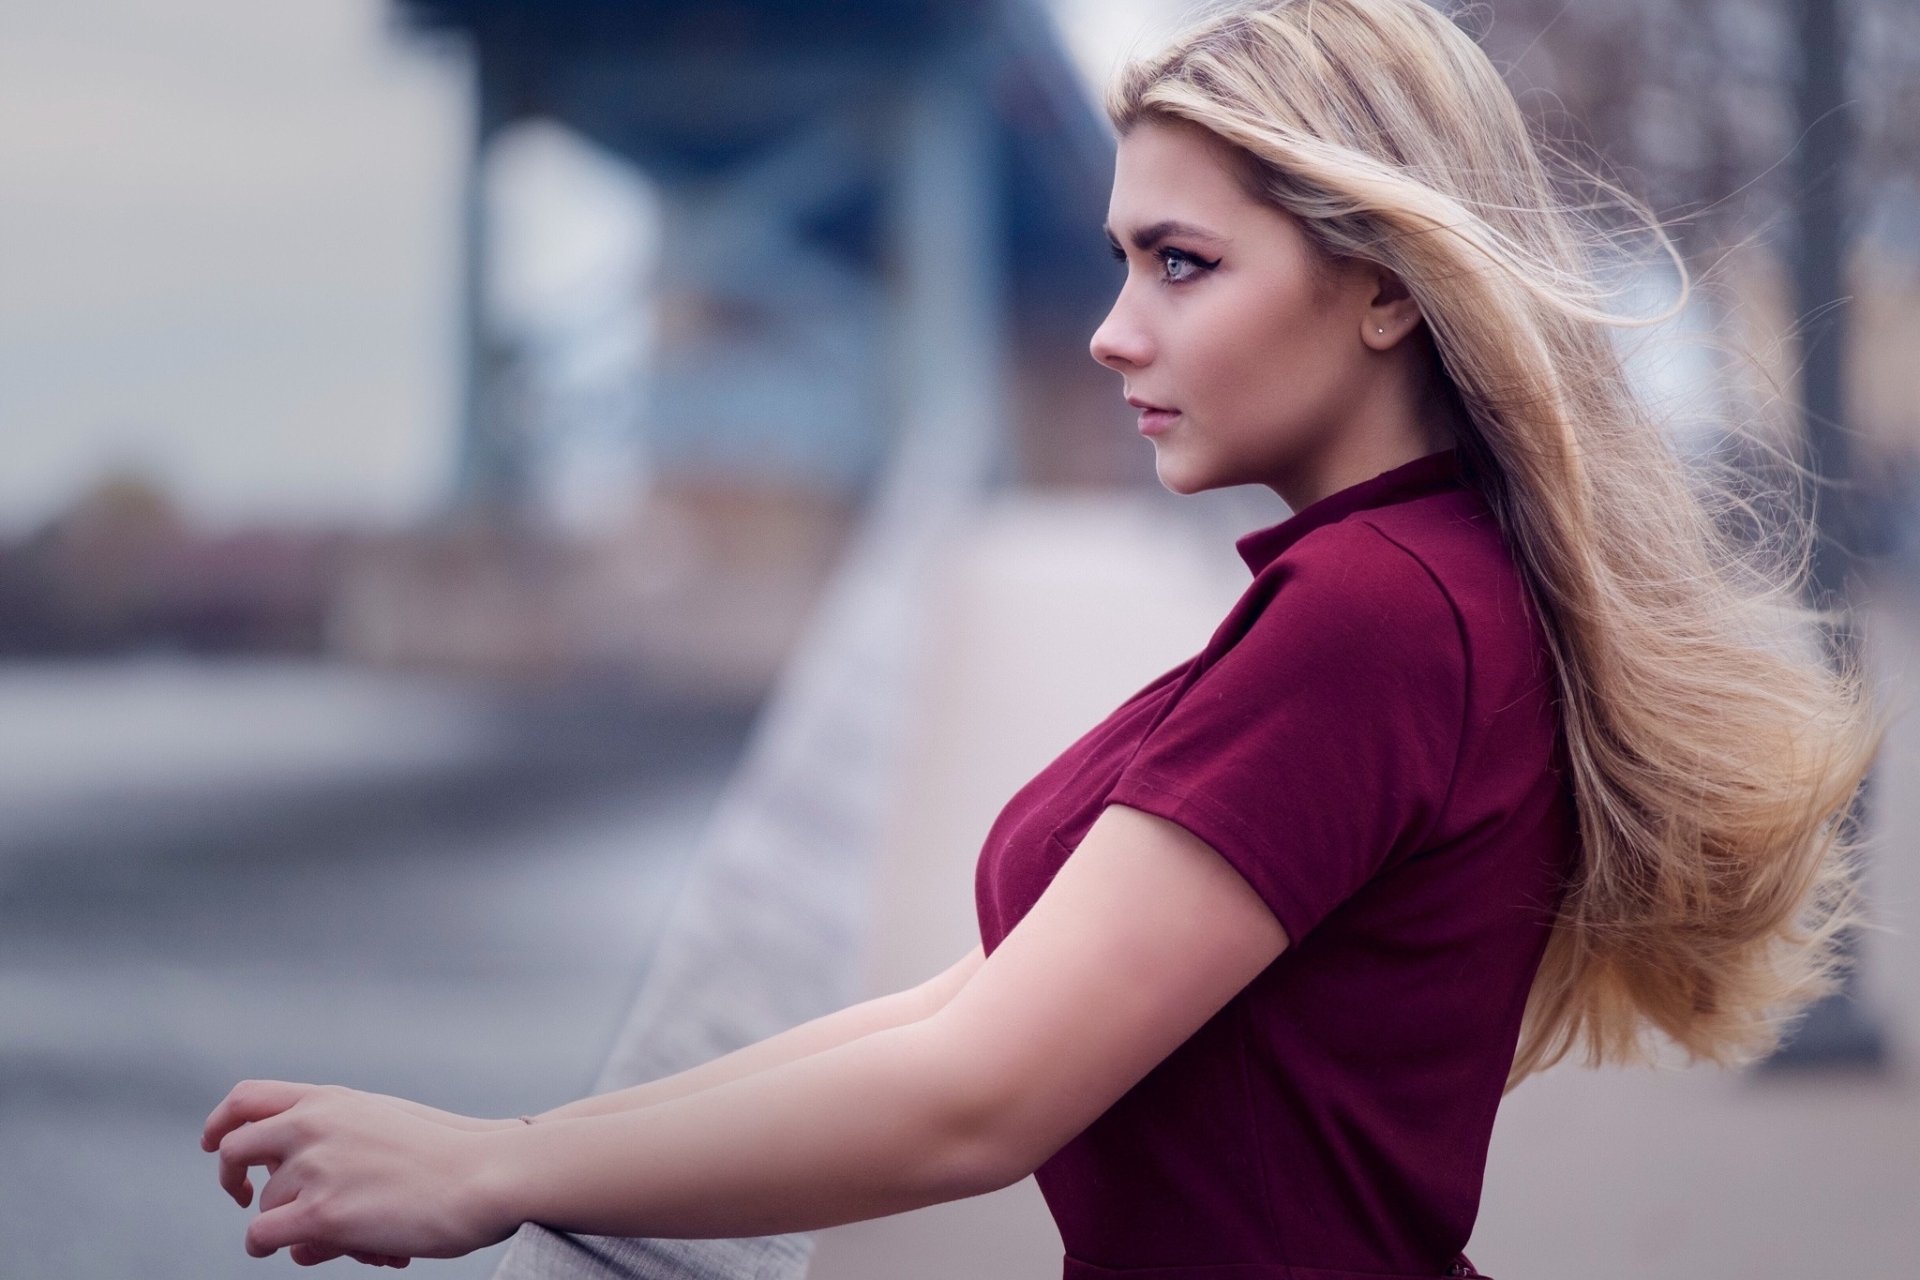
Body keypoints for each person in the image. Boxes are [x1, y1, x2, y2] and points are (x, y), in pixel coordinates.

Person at [200, 0, 1888, 1274]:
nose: (1105, 332)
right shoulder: (1396, 585)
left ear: (1387, 287)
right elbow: (978, 1004)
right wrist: (524, 1138)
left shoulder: (1377, 621)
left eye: (1180, 264)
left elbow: (983, 1097)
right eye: (1116, 261)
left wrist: (501, 1180)